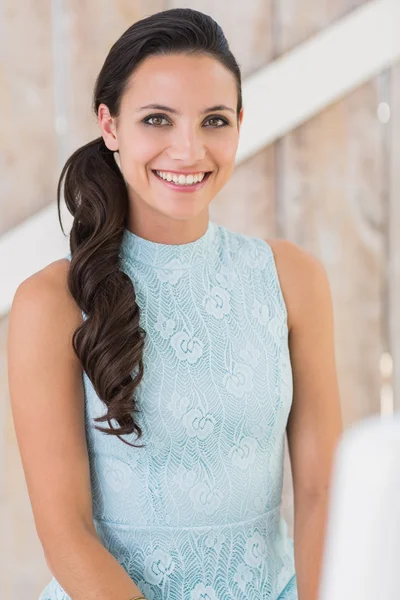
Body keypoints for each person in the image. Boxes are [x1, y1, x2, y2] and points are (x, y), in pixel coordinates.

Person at [7, 7, 343, 600]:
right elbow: (65, 531)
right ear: (110, 126)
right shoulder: (50, 303)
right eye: (157, 119)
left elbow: (322, 492)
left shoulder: (292, 278)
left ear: (240, 123)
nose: (188, 150)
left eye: (214, 120)